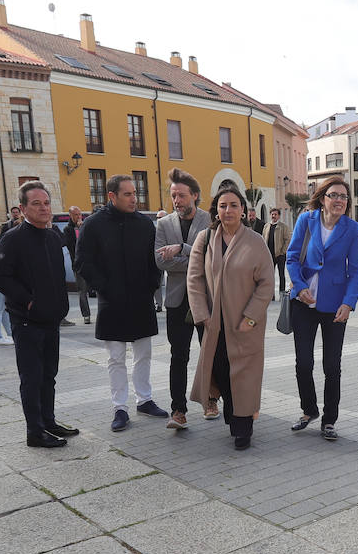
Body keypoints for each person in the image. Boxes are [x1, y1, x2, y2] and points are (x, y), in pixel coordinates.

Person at [75, 174, 168, 431]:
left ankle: (145, 399)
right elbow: (82, 261)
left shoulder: (145, 224)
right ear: (112, 196)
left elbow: (155, 261)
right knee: (116, 357)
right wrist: (104, 287)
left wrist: (151, 285)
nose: (133, 199)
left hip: (140, 299)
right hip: (112, 301)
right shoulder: (93, 225)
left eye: (134, 193)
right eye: (127, 194)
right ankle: (119, 407)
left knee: (144, 354)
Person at [0, 181, 79, 448]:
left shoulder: (53, 237)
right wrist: (27, 301)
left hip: (51, 320)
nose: (43, 208)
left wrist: (60, 305)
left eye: (46, 203)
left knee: (49, 375)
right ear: (24, 208)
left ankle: (48, 422)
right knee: (32, 377)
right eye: (36, 203)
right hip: (27, 322)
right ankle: (35, 432)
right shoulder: (13, 238)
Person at [186, 185, 273, 449]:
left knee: (245, 376)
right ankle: (233, 416)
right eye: (223, 206)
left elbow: (267, 283)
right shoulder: (206, 238)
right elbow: (194, 279)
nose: (228, 210)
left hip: (245, 324)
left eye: (234, 205)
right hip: (215, 325)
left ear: (243, 210)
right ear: (216, 211)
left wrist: (251, 317)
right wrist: (202, 315)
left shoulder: (255, 241)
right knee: (222, 371)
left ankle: (243, 428)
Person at [286, 175, 358, 441]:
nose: (339, 200)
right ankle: (309, 410)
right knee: (303, 363)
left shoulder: (351, 229)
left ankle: (329, 420)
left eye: (344, 197)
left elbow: (356, 271)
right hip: (303, 304)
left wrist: (348, 303)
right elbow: (292, 257)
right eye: (334, 195)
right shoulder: (305, 221)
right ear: (323, 198)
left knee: (332, 365)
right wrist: (299, 286)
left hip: (335, 307)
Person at [155, 168, 213, 430]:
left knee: (209, 353)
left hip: (205, 299)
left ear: (195, 196)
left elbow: (212, 258)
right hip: (177, 301)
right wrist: (193, 257)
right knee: (178, 355)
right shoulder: (164, 224)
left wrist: (181, 249)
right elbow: (159, 260)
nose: (176, 200)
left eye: (181, 195)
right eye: (173, 195)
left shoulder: (210, 219)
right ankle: (178, 410)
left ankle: (211, 400)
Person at [62, 205, 91, 324]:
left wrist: (83, 229)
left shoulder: (85, 226)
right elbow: (72, 246)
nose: (79, 217)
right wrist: (79, 231)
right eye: (76, 215)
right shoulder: (68, 229)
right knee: (82, 291)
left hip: (90, 263)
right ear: (70, 215)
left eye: (80, 214)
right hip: (78, 265)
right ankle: (86, 315)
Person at [262, 208, 291, 300]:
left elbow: (287, 240)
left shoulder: (283, 227)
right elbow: (263, 238)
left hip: (280, 255)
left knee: (281, 275)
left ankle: (282, 294)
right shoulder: (266, 226)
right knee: (270, 276)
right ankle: (271, 295)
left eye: (275, 214)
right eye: (272, 214)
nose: (273, 216)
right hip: (269, 255)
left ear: (278, 216)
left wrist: (282, 252)